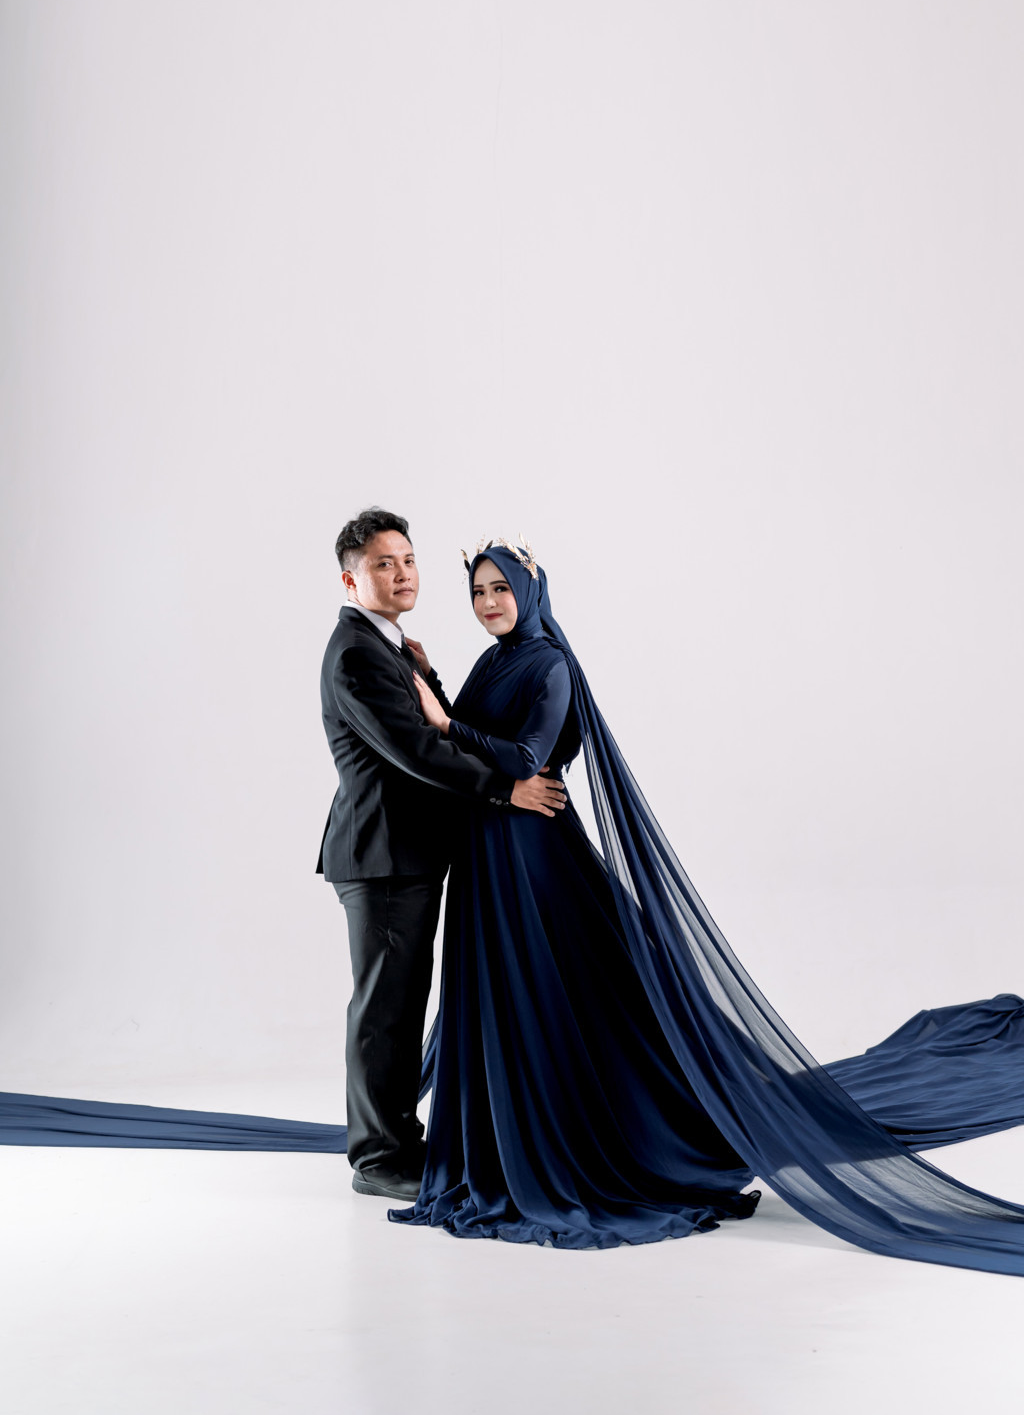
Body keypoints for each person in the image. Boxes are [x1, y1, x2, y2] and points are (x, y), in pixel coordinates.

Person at [386, 538, 1024, 1271]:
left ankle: (592, 1142)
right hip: (490, 848)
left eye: (501, 588)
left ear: (530, 592)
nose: (489, 602)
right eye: (478, 591)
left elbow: (527, 756)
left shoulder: (551, 663)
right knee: (515, 993)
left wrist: (445, 724)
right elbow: (481, 741)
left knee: (554, 992)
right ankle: (506, 1142)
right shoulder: (489, 662)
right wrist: (434, 683)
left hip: (531, 853)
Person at [317, 509, 566, 1202]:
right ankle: (378, 1157)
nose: (401, 574)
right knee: (385, 1009)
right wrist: (507, 789)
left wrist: (426, 674)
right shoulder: (358, 652)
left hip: (406, 853)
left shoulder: (392, 646)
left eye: (407, 560)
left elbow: (446, 727)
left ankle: (400, 1139)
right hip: (383, 855)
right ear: (350, 579)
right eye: (383, 564)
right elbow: (418, 748)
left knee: (401, 1004)